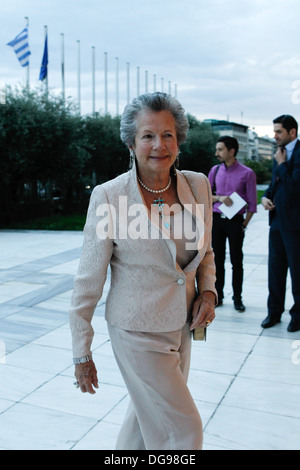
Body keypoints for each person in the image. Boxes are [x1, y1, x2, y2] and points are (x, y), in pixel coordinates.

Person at [69, 92, 217, 450]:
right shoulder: (110, 197)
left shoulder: (198, 186)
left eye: (167, 134)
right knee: (183, 431)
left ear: (179, 139)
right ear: (132, 143)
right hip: (135, 330)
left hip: (182, 326)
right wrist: (81, 352)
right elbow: (89, 279)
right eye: (147, 136)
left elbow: (206, 253)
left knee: (144, 423)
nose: (158, 145)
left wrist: (209, 292)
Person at [208, 136, 257, 311]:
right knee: (217, 261)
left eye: (220, 149)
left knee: (237, 262)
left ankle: (238, 298)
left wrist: (244, 225)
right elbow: (206, 196)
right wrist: (219, 198)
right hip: (217, 221)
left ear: (231, 151)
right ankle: (218, 296)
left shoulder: (247, 173)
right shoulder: (214, 171)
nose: (216, 153)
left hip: (235, 222)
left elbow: (252, 204)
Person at [261, 114, 300, 332]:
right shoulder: (279, 154)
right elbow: (275, 184)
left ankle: (298, 315)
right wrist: (266, 197)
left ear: (292, 132)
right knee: (275, 270)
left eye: (278, 132)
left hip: (295, 224)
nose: (274, 135)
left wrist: (283, 164)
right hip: (276, 222)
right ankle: (274, 312)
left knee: (297, 272)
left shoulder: (290, 156)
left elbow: (295, 186)